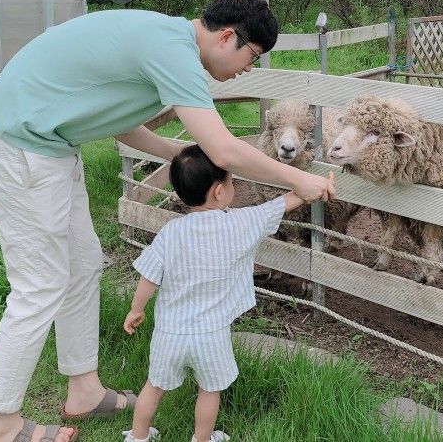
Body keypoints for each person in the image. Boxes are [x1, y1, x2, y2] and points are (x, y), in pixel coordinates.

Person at [0, 0, 335, 442]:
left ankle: (83, 388)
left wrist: (173, 151)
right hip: (16, 141)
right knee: (39, 283)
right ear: (227, 37)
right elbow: (223, 149)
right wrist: (297, 181)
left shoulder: (167, 41)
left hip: (51, 145)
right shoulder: (174, 52)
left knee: (82, 266)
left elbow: (112, 114)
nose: (248, 69)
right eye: (252, 56)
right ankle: (0, 424)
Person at [122, 145, 319, 442]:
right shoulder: (240, 223)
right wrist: (313, 187)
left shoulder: (172, 232)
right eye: (230, 181)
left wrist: (136, 309)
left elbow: (148, 277)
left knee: (154, 385)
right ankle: (201, 439)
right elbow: (281, 204)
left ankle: (137, 437)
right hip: (212, 334)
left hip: (170, 333)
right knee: (209, 390)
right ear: (218, 192)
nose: (232, 187)